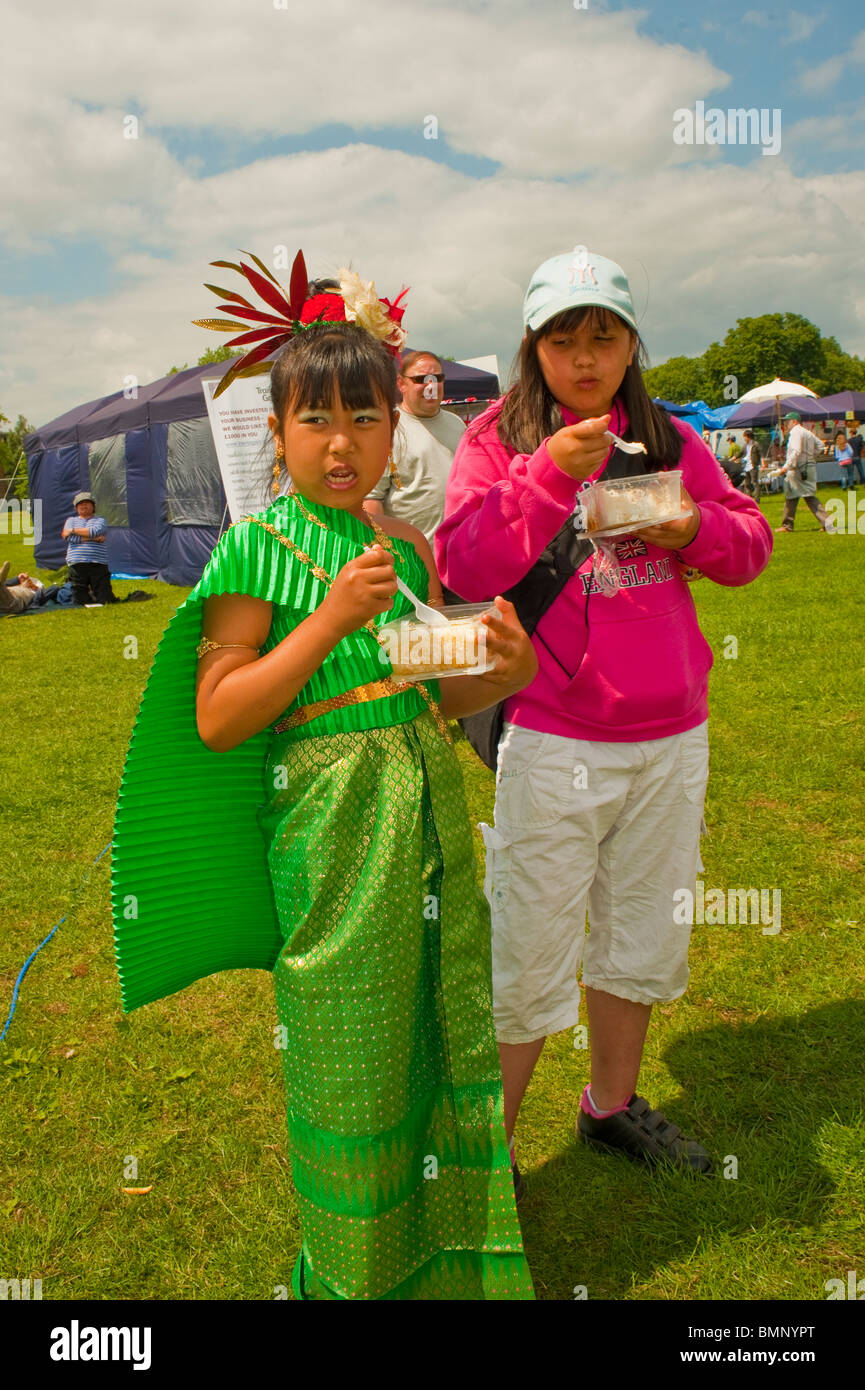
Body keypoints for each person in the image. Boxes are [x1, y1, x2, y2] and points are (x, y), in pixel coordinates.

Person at [112, 257, 537, 1302]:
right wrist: (329, 622)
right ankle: (350, 1277)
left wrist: (501, 666)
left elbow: (429, 695)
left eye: (364, 416)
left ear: (397, 427)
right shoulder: (253, 553)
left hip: (425, 809)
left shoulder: (410, 548)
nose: (341, 443)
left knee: (439, 1032)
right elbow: (221, 716)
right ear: (278, 434)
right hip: (332, 829)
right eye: (316, 421)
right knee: (351, 1064)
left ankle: (447, 1262)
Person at [435, 248, 773, 1186]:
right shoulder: (497, 439)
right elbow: (462, 566)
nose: (585, 359)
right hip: (554, 736)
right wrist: (543, 475)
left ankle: (609, 1106)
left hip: (671, 736)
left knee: (639, 934)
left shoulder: (664, 436)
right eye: (563, 339)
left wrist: (689, 529)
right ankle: (484, 1160)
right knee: (527, 946)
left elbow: (750, 545)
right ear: (532, 347)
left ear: (629, 344)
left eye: (604, 337)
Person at [365, 349, 465, 544]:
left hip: (457, 555)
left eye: (437, 378)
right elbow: (371, 499)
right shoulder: (387, 428)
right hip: (410, 560)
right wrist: (381, 549)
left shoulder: (457, 424)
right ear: (401, 383)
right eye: (421, 379)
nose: (431, 385)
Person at [775, 412, 835, 533]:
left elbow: (796, 451)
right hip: (808, 467)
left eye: (788, 421)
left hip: (798, 469)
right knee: (803, 496)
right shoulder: (807, 432)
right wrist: (810, 456)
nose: (786, 424)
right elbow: (820, 446)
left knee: (796, 496)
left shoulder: (795, 432)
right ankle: (827, 524)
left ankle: (787, 525)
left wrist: (785, 467)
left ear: (795, 422)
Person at [61, 491, 117, 604]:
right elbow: (69, 538)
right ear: (76, 507)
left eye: (87, 503)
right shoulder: (71, 521)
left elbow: (94, 531)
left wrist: (72, 530)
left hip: (98, 563)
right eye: (80, 503)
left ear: (93, 506)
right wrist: (93, 539)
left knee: (105, 599)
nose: (83, 505)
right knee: (79, 600)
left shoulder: (100, 520)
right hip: (77, 563)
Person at [741, 429, 762, 499]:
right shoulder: (744, 445)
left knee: (755, 482)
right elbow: (740, 453)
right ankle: (748, 498)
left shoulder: (756, 444)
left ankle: (757, 498)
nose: (743, 438)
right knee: (747, 483)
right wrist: (733, 458)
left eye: (744, 436)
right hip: (746, 466)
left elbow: (761, 454)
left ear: (748, 436)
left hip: (753, 466)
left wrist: (763, 462)